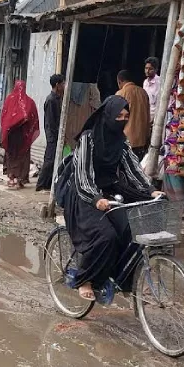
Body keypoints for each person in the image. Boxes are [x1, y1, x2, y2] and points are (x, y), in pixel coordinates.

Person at [56, 96, 161, 301]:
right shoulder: (88, 138)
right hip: (83, 195)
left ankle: (119, 278)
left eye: (126, 116)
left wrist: (150, 190)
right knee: (105, 235)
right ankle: (85, 279)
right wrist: (95, 198)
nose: (122, 120)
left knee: (130, 228)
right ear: (107, 115)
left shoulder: (121, 141)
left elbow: (133, 169)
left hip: (108, 192)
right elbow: (83, 175)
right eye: (118, 116)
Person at [0, 80, 39, 190]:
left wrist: (9, 127)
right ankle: (19, 179)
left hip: (11, 135)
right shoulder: (30, 102)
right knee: (22, 156)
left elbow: (4, 117)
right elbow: (33, 118)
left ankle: (12, 178)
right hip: (23, 135)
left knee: (11, 156)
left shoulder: (9, 99)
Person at [35, 73, 66, 192]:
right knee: (49, 160)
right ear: (57, 85)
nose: (64, 86)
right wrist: (56, 135)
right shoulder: (51, 100)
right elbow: (51, 121)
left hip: (54, 134)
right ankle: (41, 184)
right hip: (52, 135)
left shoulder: (57, 98)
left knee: (53, 160)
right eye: (63, 83)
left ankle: (47, 184)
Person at [116, 69, 151, 160]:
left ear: (119, 81)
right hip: (142, 140)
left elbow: (116, 119)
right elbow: (148, 115)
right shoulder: (143, 93)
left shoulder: (120, 93)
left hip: (126, 140)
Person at [143, 57, 161, 123]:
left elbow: (159, 103)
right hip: (146, 115)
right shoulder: (145, 82)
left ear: (156, 70)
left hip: (157, 117)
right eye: (146, 68)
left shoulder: (159, 82)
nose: (147, 71)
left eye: (150, 69)